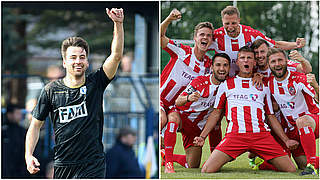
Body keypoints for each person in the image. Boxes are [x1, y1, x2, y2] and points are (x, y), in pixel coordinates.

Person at [25, 8, 124, 178]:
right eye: (73, 57)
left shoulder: (96, 82)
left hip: (93, 164)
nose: (78, 61)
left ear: (86, 61)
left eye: (82, 57)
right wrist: (28, 155)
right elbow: (35, 125)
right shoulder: (51, 91)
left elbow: (115, 56)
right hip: (63, 164)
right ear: (64, 62)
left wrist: (118, 24)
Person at [194, 46, 299, 173]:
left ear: (254, 62)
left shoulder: (264, 85)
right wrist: (202, 136)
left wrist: (286, 140)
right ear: (237, 62)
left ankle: (261, 162)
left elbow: (270, 116)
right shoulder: (226, 84)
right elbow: (216, 113)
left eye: (249, 58)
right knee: (207, 170)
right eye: (242, 58)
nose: (246, 61)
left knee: (291, 169)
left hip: (261, 136)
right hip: (235, 136)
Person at [160, 9, 215, 173]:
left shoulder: (210, 66)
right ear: (195, 38)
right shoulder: (183, 51)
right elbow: (160, 38)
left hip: (182, 108)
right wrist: (169, 19)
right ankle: (159, 155)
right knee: (161, 119)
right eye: (202, 34)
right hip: (162, 100)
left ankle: (164, 154)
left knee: (193, 165)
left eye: (208, 36)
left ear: (211, 41)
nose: (205, 38)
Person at [248, 39, 313, 170]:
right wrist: (254, 76)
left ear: (268, 52)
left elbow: (306, 69)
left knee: (302, 164)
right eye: (256, 53)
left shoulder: (282, 63)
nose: (259, 55)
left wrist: (302, 60)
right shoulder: (253, 70)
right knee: (288, 163)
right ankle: (258, 154)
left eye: (262, 51)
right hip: (272, 121)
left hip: (292, 118)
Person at [209, 6, 306, 77]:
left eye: (233, 23)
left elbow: (275, 44)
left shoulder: (251, 34)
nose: (230, 27)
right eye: (227, 23)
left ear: (239, 20)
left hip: (250, 77)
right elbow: (201, 47)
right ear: (222, 21)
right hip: (224, 78)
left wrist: (296, 44)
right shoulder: (216, 35)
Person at [171, 53, 230, 168]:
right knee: (169, 124)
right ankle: (167, 159)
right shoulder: (200, 81)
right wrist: (189, 97)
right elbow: (178, 101)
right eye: (218, 65)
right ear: (212, 67)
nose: (222, 69)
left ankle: (166, 156)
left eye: (225, 65)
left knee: (193, 165)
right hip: (183, 118)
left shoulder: (229, 85)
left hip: (197, 128)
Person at [267, 48, 319, 175]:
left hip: (314, 120)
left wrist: (316, 86)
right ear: (269, 65)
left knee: (302, 120)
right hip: (293, 130)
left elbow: (317, 97)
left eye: (280, 60)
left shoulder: (298, 79)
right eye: (273, 61)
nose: (277, 64)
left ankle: (312, 167)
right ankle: (311, 163)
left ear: (286, 62)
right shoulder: (269, 83)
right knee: (301, 164)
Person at [2, 104, 29, 178]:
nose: (20, 115)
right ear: (9, 114)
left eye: (20, 113)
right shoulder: (3, 130)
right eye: (17, 113)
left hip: (19, 170)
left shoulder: (23, 131)